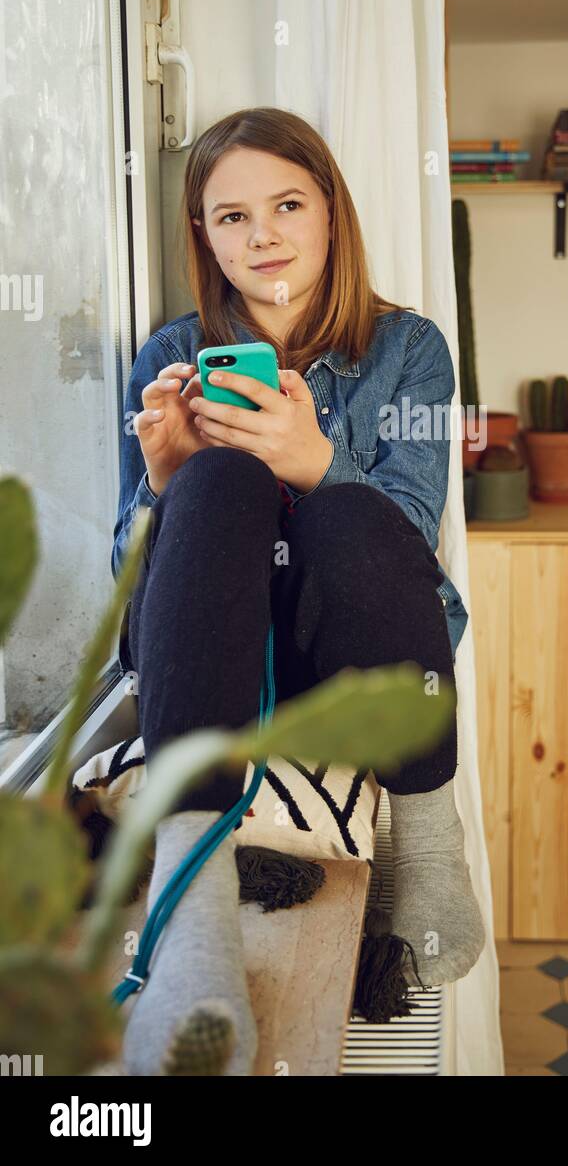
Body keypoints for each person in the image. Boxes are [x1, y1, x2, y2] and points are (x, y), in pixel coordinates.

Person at [113, 106, 484, 1075]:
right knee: (218, 481)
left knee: (351, 516)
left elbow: (408, 554)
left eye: (286, 204)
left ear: (331, 214)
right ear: (203, 234)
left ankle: (427, 852)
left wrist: (318, 459)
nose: (262, 235)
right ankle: (189, 921)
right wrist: (165, 490)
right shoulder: (170, 355)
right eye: (229, 216)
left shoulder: (408, 350)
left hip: (356, 648)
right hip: (209, 655)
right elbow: (127, 587)